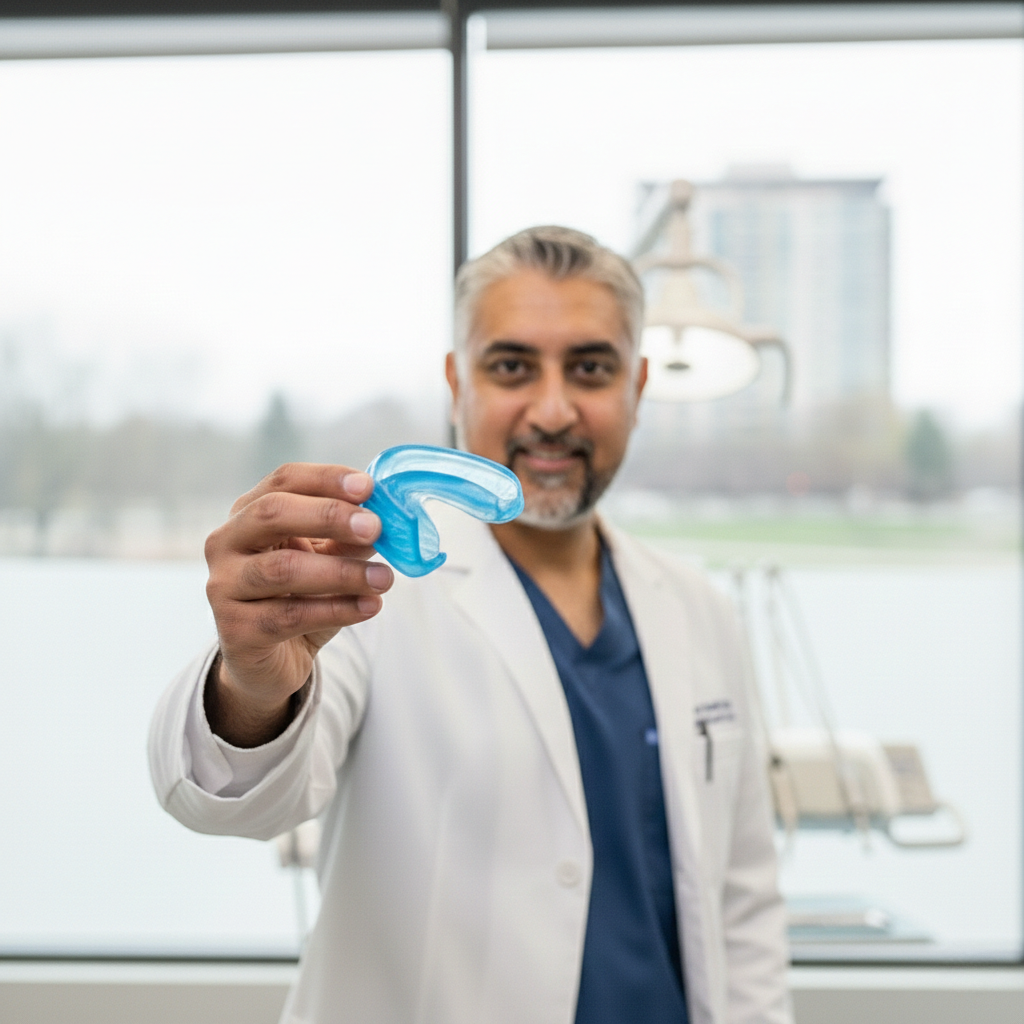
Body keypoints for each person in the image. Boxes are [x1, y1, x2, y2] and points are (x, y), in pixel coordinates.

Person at [149, 226, 791, 1024]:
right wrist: (250, 681)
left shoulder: (699, 611)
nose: (553, 410)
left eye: (590, 368)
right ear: (458, 383)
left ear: (639, 385)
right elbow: (237, 798)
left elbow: (744, 904)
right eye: (512, 366)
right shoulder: (368, 591)